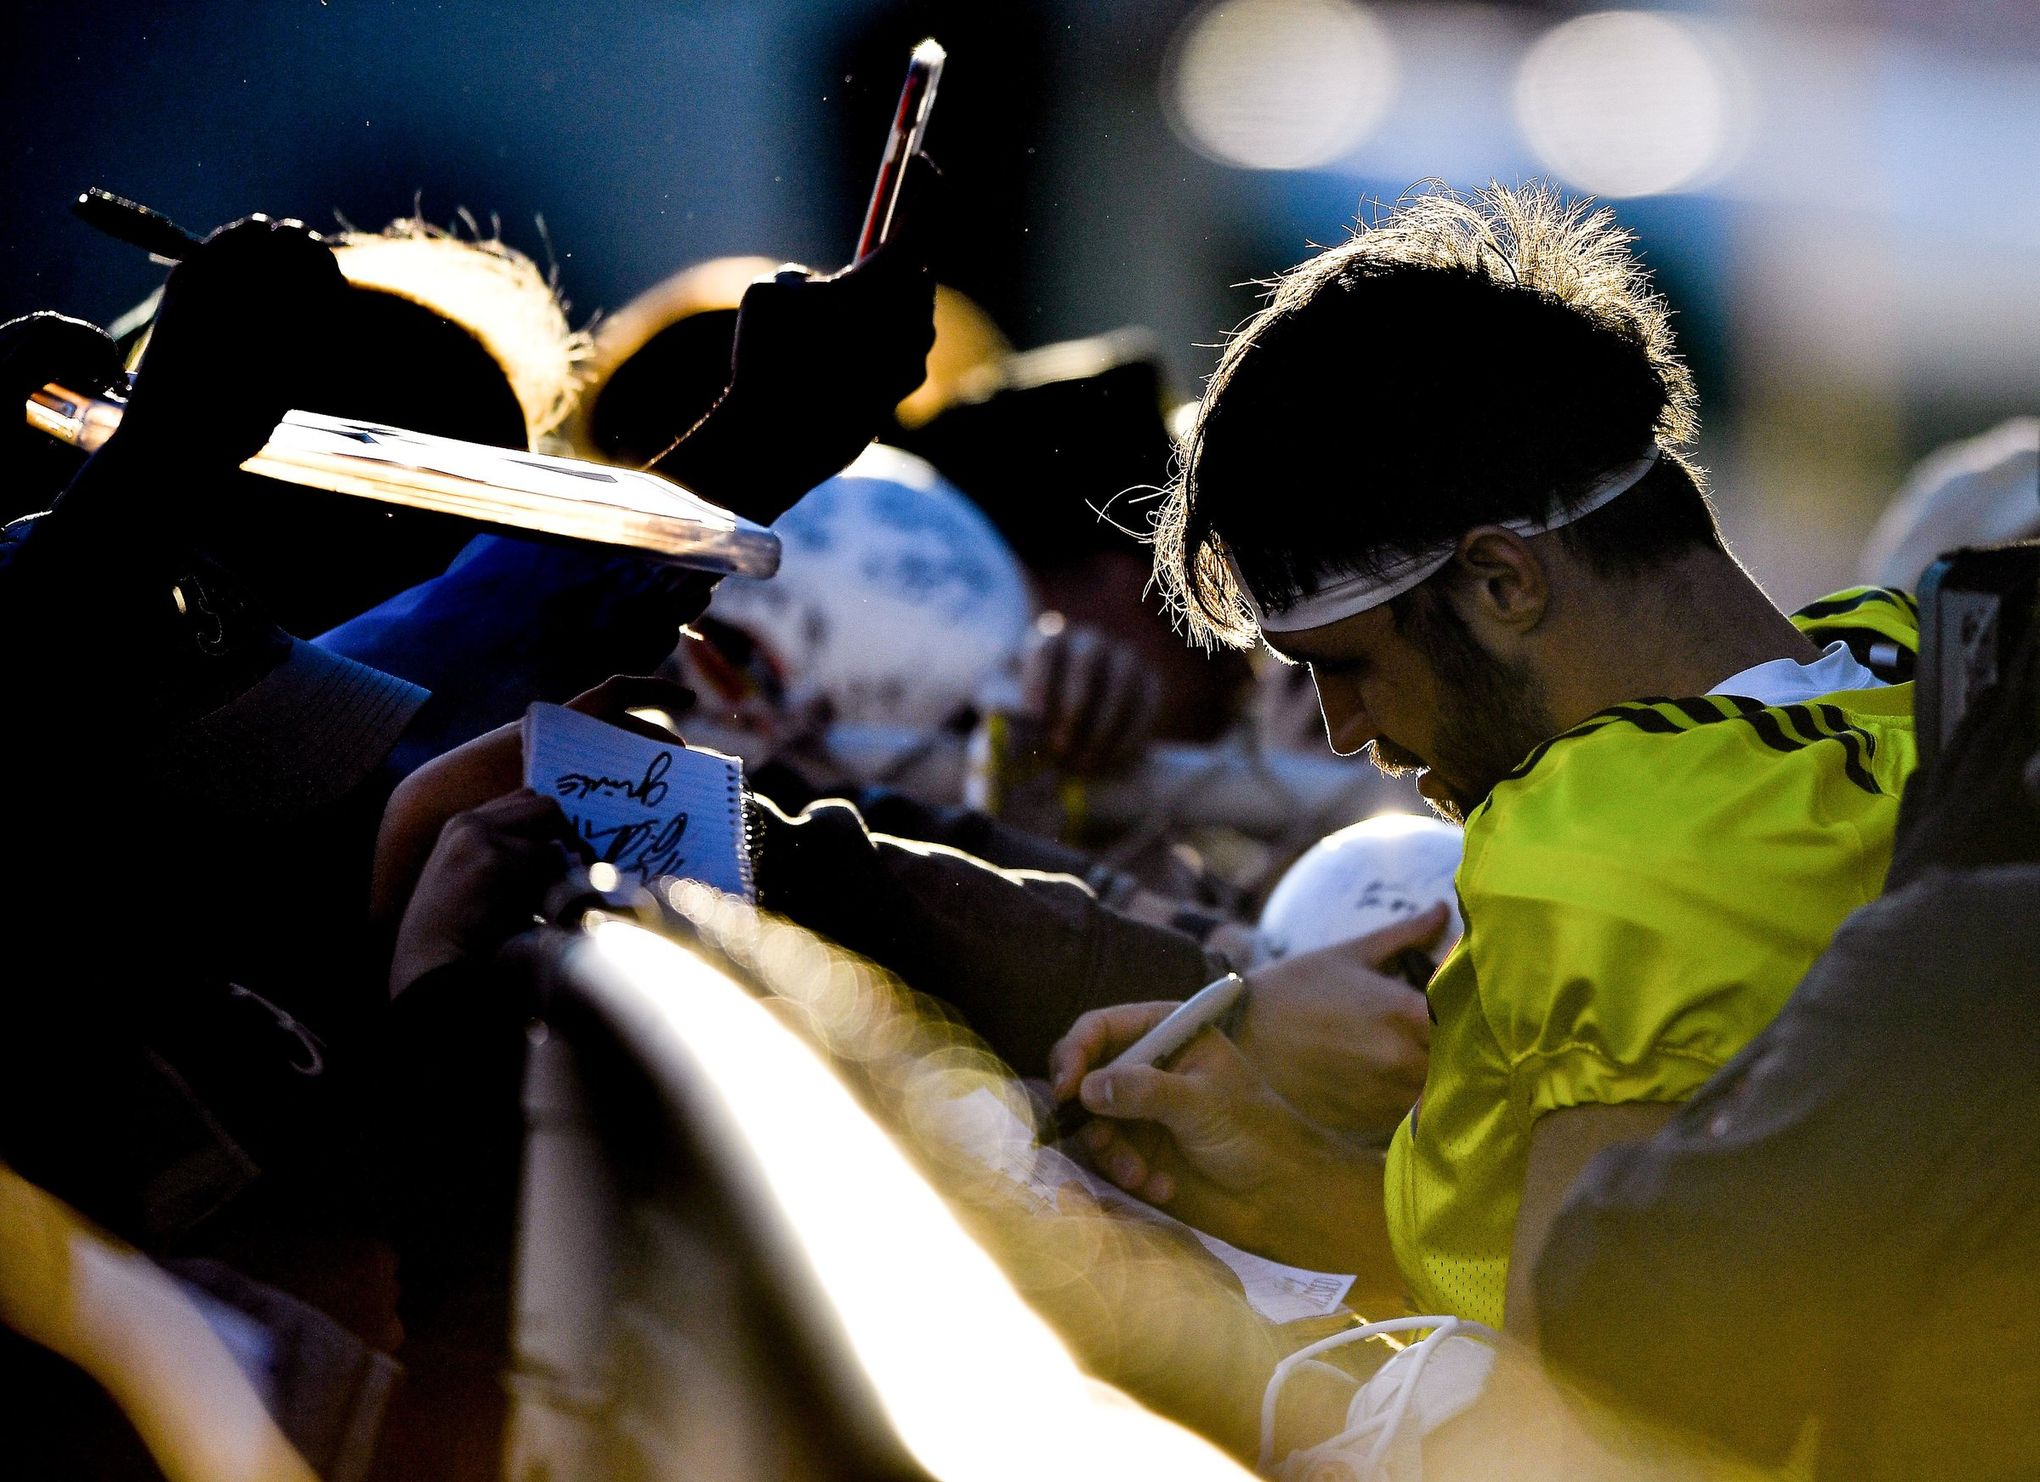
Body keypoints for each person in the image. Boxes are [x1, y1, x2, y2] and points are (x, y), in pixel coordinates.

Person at [1049, 182, 1921, 1336]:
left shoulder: (1601, 848)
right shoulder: (1920, 657)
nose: (1342, 728)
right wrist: (1279, 1165)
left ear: (1504, 580)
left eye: (1344, 660)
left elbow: (1573, 1399)